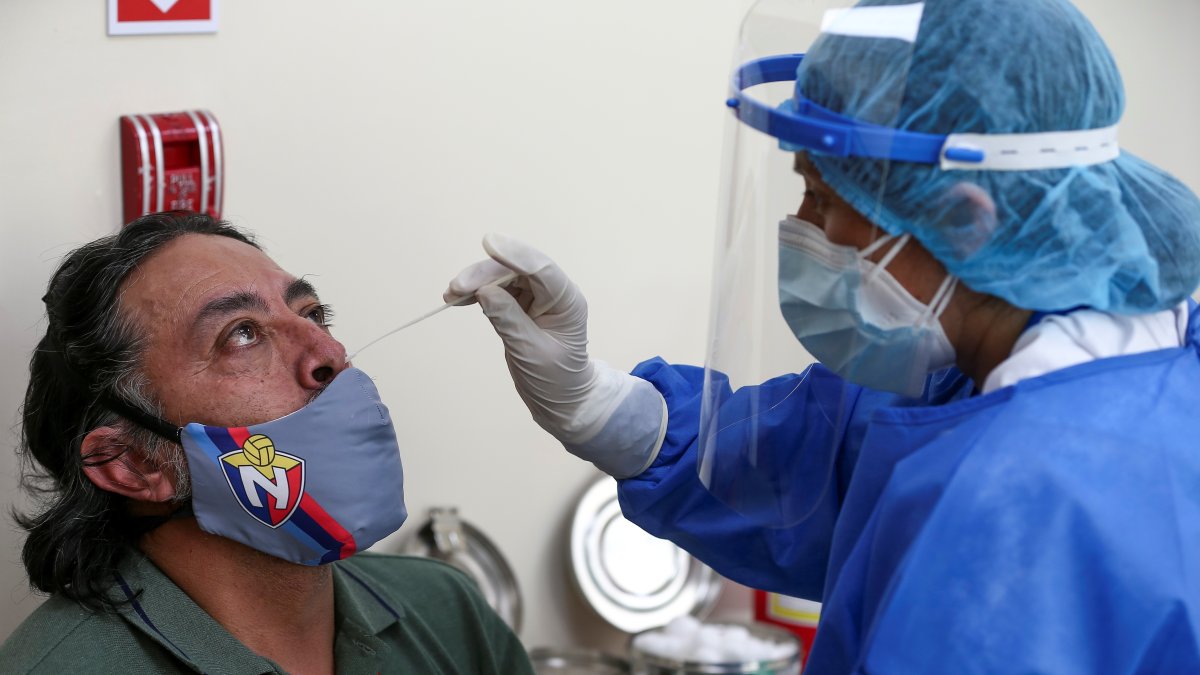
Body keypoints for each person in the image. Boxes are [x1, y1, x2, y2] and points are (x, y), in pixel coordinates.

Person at [446, 0, 1200, 672]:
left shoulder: (1021, 513)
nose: (799, 227)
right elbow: (806, 466)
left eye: (818, 192)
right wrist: (601, 404)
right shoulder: (999, 358)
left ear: (969, 217)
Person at [0, 211, 533, 674]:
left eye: (311, 314)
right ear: (132, 464)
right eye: (242, 333)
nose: (331, 352)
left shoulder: (448, 608)